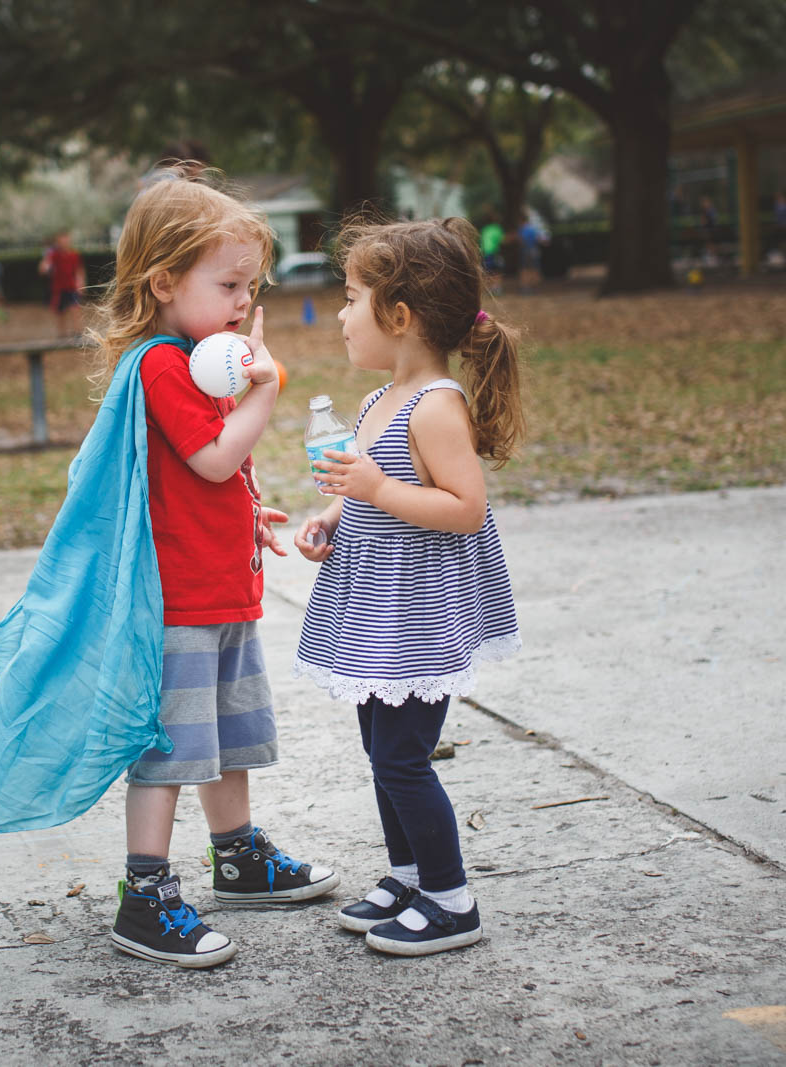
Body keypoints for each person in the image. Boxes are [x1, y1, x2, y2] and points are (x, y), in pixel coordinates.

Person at [0, 170, 338, 970]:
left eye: (251, 286)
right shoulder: (164, 363)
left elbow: (202, 477)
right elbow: (209, 456)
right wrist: (268, 393)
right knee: (169, 746)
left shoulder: (195, 360)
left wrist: (248, 512)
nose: (243, 302)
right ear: (165, 281)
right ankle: (145, 893)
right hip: (180, 603)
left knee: (225, 738)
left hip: (220, 588)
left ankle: (236, 856)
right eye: (228, 283)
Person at [293, 216, 524, 958]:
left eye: (353, 296)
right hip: (376, 614)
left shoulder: (436, 404)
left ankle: (452, 898)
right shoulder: (377, 401)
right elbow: (366, 488)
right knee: (378, 744)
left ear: (399, 316)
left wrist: (379, 488)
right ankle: (408, 874)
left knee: (401, 756)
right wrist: (331, 514)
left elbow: (464, 509)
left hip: (418, 618)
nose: (340, 311)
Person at [39, 229, 86, 337]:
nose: (65, 242)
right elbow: (44, 267)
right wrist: (45, 267)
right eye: (62, 239)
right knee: (60, 312)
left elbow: (79, 270)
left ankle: (78, 333)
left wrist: (81, 284)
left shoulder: (74, 255)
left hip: (71, 287)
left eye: (66, 239)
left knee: (75, 309)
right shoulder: (53, 255)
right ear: (58, 241)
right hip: (58, 288)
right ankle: (62, 334)